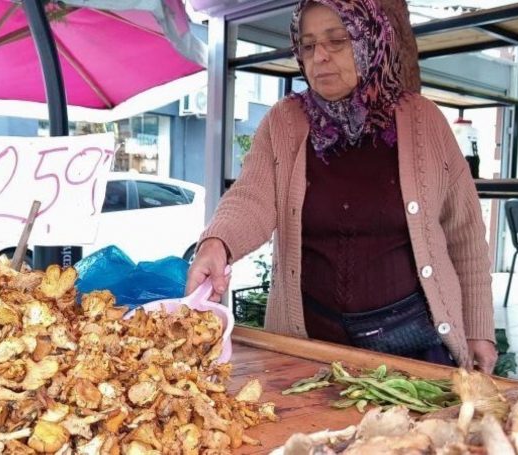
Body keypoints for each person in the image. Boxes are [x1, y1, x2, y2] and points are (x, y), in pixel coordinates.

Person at [186, 0, 497, 372]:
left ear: (370, 41)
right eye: (308, 44)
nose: (320, 56)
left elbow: (464, 230)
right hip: (311, 344)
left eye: (337, 41)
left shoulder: (423, 120)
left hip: (411, 341)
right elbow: (252, 197)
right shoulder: (284, 122)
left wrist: (479, 329)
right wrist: (217, 243)